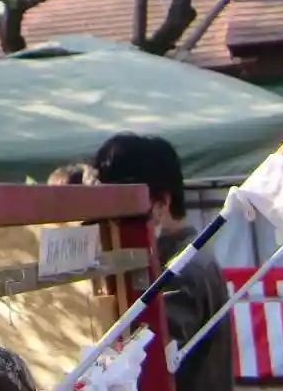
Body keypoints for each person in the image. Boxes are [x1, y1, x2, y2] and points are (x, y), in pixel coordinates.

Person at [92, 133, 232, 391]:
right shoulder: (181, 258)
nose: (110, 223)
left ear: (161, 203)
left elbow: (146, 360)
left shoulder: (181, 270)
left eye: (121, 209)